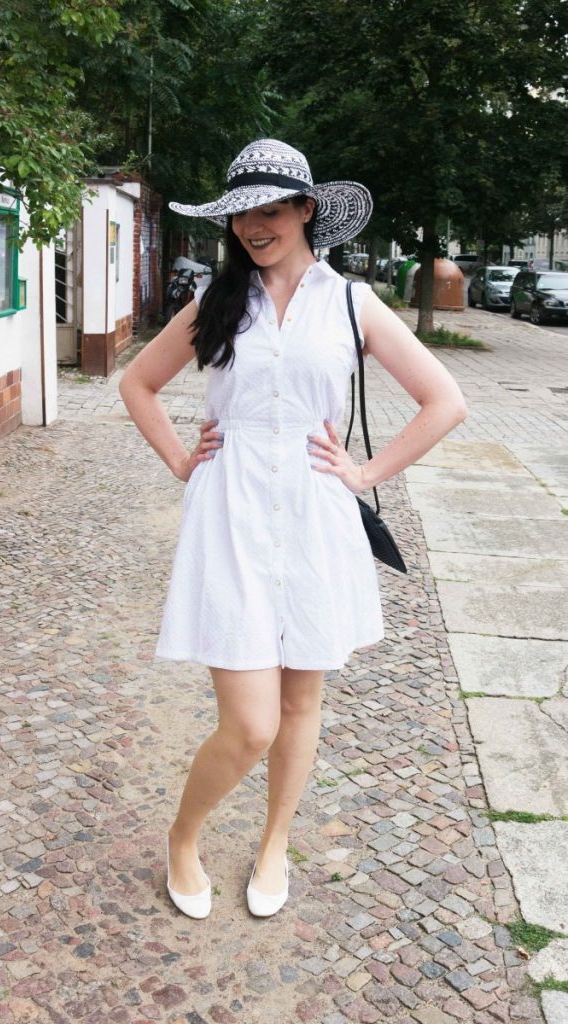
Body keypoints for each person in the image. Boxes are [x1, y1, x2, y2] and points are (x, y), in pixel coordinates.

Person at [119, 139, 467, 920]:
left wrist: (365, 475)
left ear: (306, 210)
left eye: (269, 210)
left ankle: (274, 842)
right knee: (249, 724)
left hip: (315, 515)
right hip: (230, 512)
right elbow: (136, 383)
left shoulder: (349, 302)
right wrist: (182, 458)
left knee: (302, 703)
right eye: (241, 213)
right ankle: (185, 836)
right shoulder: (216, 303)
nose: (252, 227)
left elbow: (444, 401)